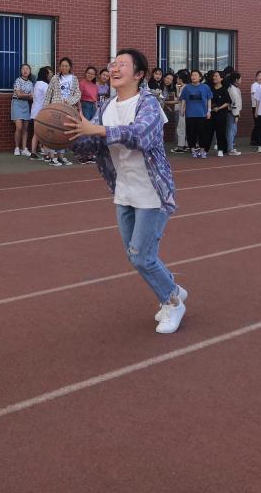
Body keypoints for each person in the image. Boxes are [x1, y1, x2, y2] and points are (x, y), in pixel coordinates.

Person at [66, 48, 185, 334]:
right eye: (113, 64)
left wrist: (97, 130)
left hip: (152, 192)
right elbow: (91, 147)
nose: (115, 69)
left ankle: (172, 302)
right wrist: (68, 135)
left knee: (142, 256)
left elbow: (141, 136)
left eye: (122, 64)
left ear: (139, 74)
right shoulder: (106, 106)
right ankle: (172, 288)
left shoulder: (149, 103)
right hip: (123, 191)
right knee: (135, 255)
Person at [44, 57, 81, 165]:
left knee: (63, 134)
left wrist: (69, 101)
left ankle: (61, 156)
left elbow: (77, 93)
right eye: (62, 65)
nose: (64, 67)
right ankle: (52, 157)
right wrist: (45, 109)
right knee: (53, 133)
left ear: (70, 67)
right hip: (55, 108)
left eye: (66, 66)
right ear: (60, 67)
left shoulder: (74, 79)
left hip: (67, 109)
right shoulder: (55, 78)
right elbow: (48, 94)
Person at [180, 69, 211, 159]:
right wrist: (182, 109)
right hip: (190, 114)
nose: (193, 77)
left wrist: (209, 111)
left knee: (202, 133)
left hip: (202, 114)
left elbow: (209, 99)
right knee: (190, 133)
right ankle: (193, 150)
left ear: (200, 77)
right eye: (192, 75)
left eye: (195, 75)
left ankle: (202, 150)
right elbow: (184, 99)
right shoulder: (187, 87)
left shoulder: (205, 87)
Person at [30, 66, 54, 162]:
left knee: (36, 133)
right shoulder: (44, 85)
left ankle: (33, 152)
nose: (51, 75)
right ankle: (46, 154)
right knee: (44, 134)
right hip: (41, 113)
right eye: (49, 73)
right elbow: (50, 97)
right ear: (45, 74)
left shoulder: (37, 84)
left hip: (35, 112)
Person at [12, 64, 35, 156]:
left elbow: (32, 97)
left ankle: (24, 148)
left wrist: (24, 94)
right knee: (19, 127)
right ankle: (17, 148)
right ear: (21, 71)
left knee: (25, 128)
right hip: (17, 103)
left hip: (26, 104)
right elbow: (18, 95)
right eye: (23, 69)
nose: (25, 71)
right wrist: (27, 95)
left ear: (30, 71)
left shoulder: (30, 83)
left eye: (27, 69)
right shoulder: (18, 80)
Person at [207, 70, 231, 157]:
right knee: (208, 132)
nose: (214, 77)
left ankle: (221, 149)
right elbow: (207, 100)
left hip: (221, 114)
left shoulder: (224, 90)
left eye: (216, 76)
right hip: (211, 114)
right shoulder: (210, 89)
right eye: (214, 76)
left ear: (221, 78)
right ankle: (205, 149)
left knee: (220, 132)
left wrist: (219, 108)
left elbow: (228, 102)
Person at [168, 73, 188, 154]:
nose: (176, 80)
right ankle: (185, 145)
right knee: (184, 128)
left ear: (180, 79)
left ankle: (180, 147)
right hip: (185, 110)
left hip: (183, 110)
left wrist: (177, 89)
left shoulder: (183, 87)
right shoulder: (185, 87)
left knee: (181, 128)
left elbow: (179, 99)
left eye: (177, 78)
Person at [226, 72, 242, 156]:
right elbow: (234, 104)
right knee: (231, 131)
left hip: (234, 113)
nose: (241, 80)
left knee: (233, 131)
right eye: (240, 78)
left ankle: (230, 147)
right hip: (232, 113)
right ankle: (230, 149)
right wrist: (236, 115)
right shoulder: (232, 89)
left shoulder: (235, 88)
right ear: (236, 79)